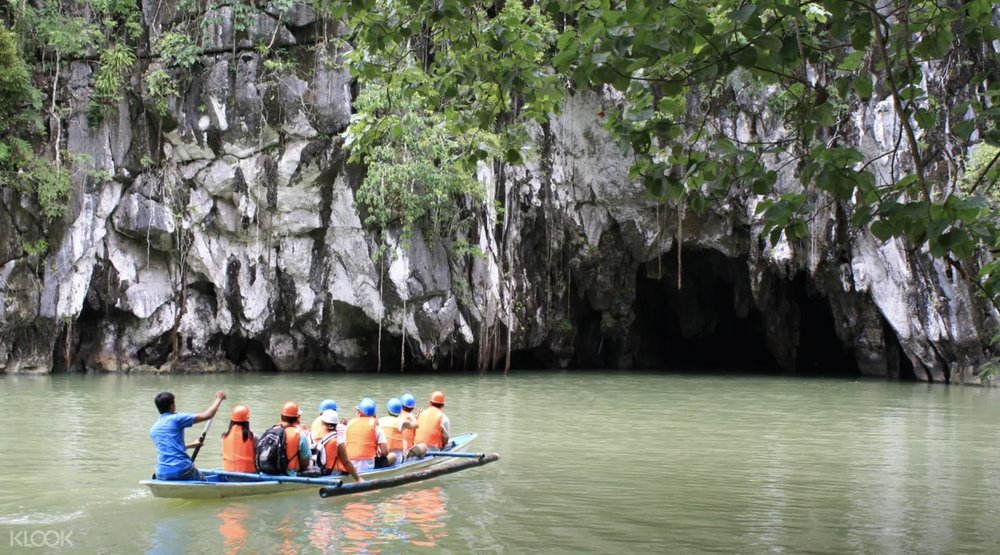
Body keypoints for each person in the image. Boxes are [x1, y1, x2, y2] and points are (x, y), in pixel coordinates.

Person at [149, 390, 226, 481]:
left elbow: (170, 447)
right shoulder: (177, 418)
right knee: (204, 481)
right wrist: (219, 398)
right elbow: (208, 415)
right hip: (182, 469)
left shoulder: (153, 429)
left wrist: (192, 445)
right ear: (172, 406)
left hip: (161, 473)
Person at [313, 409, 363, 481]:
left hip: (319, 470)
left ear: (322, 422)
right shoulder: (338, 441)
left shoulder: (316, 435)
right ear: (336, 424)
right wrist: (358, 478)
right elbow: (346, 462)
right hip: (333, 473)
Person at [345, 397, 388, 472]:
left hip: (349, 466)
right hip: (368, 467)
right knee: (391, 456)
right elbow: (385, 452)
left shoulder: (349, 424)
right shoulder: (376, 428)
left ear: (359, 413)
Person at [378, 398, 417, 467]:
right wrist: (411, 416)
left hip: (383, 458)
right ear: (400, 412)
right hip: (397, 460)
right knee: (404, 443)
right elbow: (416, 425)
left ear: (388, 410)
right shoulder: (401, 422)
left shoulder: (380, 421)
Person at [277, 401, 312, 476]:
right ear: (297, 418)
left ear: (281, 416)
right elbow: (306, 460)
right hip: (291, 474)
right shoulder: (300, 435)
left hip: (272, 471)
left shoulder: (273, 430)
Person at [221, 405, 256, 472]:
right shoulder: (252, 436)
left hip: (228, 473)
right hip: (248, 473)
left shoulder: (225, 435)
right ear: (247, 420)